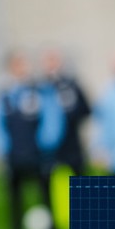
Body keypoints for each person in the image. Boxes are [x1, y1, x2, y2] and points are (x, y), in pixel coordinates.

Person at [0, 50, 65, 229]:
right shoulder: (4, 96)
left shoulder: (40, 92)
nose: (22, 69)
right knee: (15, 202)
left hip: (39, 156)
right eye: (17, 65)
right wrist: (1, 150)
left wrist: (47, 143)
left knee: (47, 198)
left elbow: (52, 119)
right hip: (14, 158)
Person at [41, 47, 91, 177]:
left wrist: (69, 116)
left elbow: (86, 109)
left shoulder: (71, 85)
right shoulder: (39, 88)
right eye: (48, 60)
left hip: (72, 145)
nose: (51, 64)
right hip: (48, 149)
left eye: (54, 60)